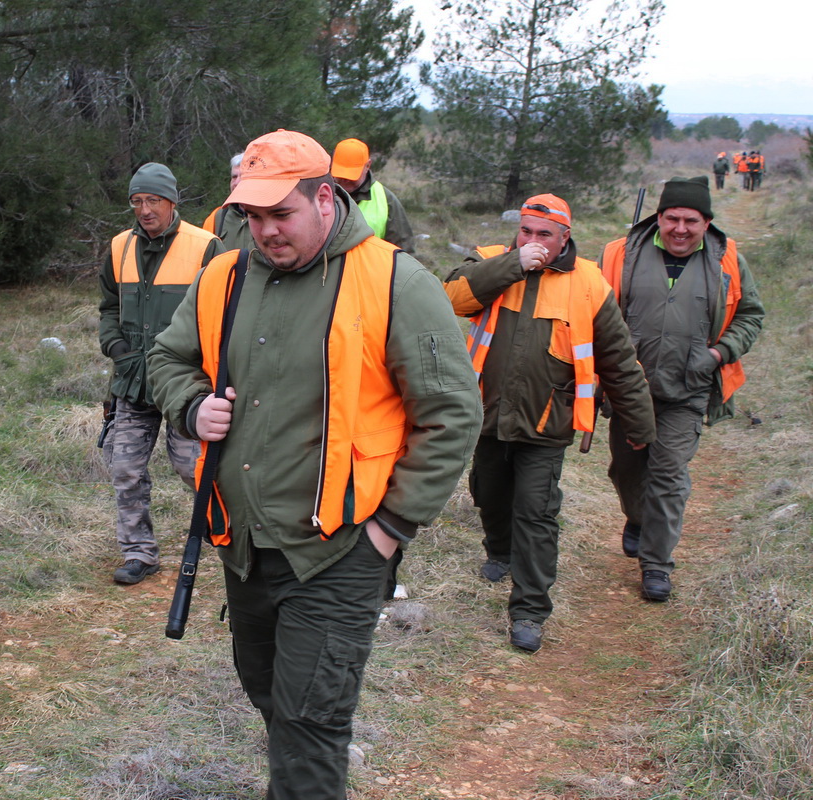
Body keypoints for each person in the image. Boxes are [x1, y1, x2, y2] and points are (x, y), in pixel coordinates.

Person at [149, 129, 480, 799]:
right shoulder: (223, 277)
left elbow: (451, 415)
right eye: (253, 216)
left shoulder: (397, 281)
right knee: (270, 695)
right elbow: (167, 357)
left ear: (325, 198)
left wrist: (389, 530)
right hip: (242, 545)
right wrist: (191, 406)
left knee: (310, 725)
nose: (266, 231)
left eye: (281, 214)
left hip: (340, 551)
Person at [443, 194, 656, 652]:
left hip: (547, 423)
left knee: (536, 513)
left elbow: (620, 361)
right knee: (488, 491)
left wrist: (640, 425)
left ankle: (529, 610)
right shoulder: (491, 261)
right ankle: (500, 551)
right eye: (526, 231)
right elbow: (452, 297)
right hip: (487, 412)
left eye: (544, 234)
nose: (533, 240)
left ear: (565, 238)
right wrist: (513, 265)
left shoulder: (589, 283)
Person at [599, 176, 764, 601]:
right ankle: (638, 518)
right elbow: (594, 312)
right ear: (659, 217)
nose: (680, 229)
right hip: (629, 388)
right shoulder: (621, 253)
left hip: (688, 390)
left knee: (669, 475)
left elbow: (750, 315)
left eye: (691, 221)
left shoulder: (727, 260)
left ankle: (656, 564)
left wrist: (718, 353)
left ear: (707, 223)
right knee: (626, 470)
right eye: (672, 218)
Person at [98, 162, 225, 584]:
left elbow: (224, 314)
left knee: (193, 467)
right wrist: (117, 349)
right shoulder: (118, 247)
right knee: (124, 468)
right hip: (132, 381)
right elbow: (108, 307)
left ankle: (228, 531)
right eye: (137, 201)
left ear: (172, 201)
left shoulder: (207, 247)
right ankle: (139, 553)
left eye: (153, 200)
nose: (145, 210)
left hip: (186, 383)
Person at [330, 137, 419, 254]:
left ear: (367, 166)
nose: (346, 180)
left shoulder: (387, 201)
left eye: (352, 174)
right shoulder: (321, 194)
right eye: (341, 173)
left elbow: (404, 252)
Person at [202, 152, 253, 252]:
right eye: (234, 177)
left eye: (243, 176)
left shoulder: (268, 216)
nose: (237, 182)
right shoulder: (217, 217)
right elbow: (204, 254)